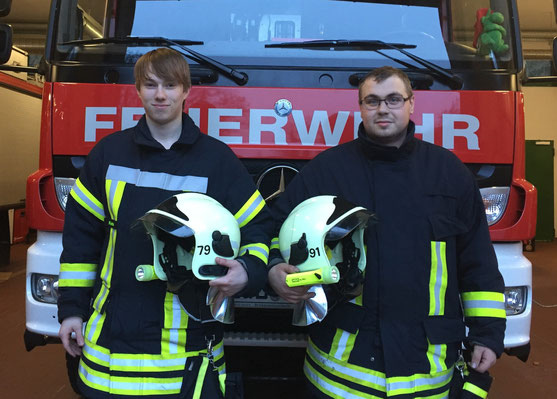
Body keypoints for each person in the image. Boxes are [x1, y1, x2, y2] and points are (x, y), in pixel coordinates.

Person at [268, 66, 506, 399]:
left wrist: (487, 334)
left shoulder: (449, 173)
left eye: (394, 99)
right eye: (373, 101)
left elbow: (478, 263)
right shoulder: (328, 170)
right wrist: (276, 268)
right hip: (340, 371)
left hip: (427, 369)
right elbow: (275, 228)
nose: (383, 109)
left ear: (412, 104)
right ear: (361, 107)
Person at [57, 47, 272, 398]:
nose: (160, 95)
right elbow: (81, 243)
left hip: (187, 348)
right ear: (137, 89)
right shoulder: (108, 155)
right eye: (151, 85)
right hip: (110, 341)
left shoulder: (216, 161)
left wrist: (248, 270)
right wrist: (71, 311)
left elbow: (258, 228)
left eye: (170, 85)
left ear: (186, 91)